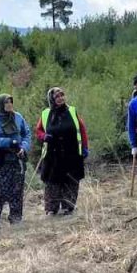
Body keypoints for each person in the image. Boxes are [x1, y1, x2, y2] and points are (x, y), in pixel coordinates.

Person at [35, 87, 89, 215]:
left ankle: (68, 207)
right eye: (57, 97)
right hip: (53, 154)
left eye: (62, 95)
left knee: (71, 179)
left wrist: (85, 147)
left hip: (72, 152)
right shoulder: (46, 113)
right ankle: (51, 209)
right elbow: (38, 130)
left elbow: (82, 130)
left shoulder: (72, 111)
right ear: (52, 99)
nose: (60, 98)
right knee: (52, 181)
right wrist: (44, 136)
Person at [0, 93, 31, 227]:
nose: (9, 105)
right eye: (6, 103)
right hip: (1, 159)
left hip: (17, 159)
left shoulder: (18, 117)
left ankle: (16, 219)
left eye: (11, 102)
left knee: (17, 190)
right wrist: (9, 142)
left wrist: (24, 147)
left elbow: (26, 134)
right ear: (0, 105)